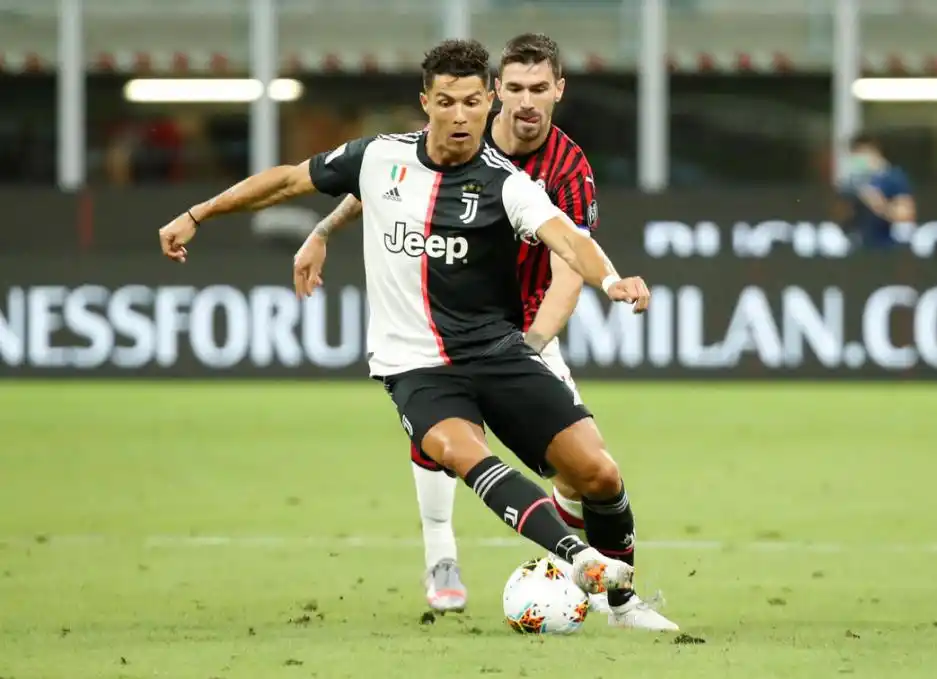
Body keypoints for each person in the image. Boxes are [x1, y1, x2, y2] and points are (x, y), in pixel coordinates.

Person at [158, 38, 679, 632]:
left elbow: (567, 240)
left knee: (599, 475)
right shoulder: (379, 156)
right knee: (463, 452)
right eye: (447, 102)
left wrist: (610, 280)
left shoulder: (508, 183)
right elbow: (287, 181)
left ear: (487, 105)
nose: (460, 116)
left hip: (499, 348)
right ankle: (567, 559)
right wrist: (198, 214)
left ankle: (623, 608)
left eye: (472, 103)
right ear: (426, 102)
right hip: (415, 365)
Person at [306, 33, 618, 619]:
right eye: (516, 88)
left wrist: (530, 347)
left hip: (522, 328)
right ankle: (442, 555)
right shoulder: (462, 129)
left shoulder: (568, 169)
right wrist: (323, 229)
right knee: (443, 425)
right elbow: (389, 182)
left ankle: (583, 572)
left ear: (559, 91)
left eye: (539, 89)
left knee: (585, 471)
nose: (526, 102)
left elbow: (570, 267)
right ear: (496, 93)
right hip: (446, 320)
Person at [836, 132, 916, 250]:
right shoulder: (851, 181)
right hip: (858, 246)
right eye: (856, 153)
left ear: (876, 152)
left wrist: (877, 203)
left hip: (886, 245)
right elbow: (840, 217)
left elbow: (905, 215)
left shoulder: (893, 177)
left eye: (864, 153)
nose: (860, 159)